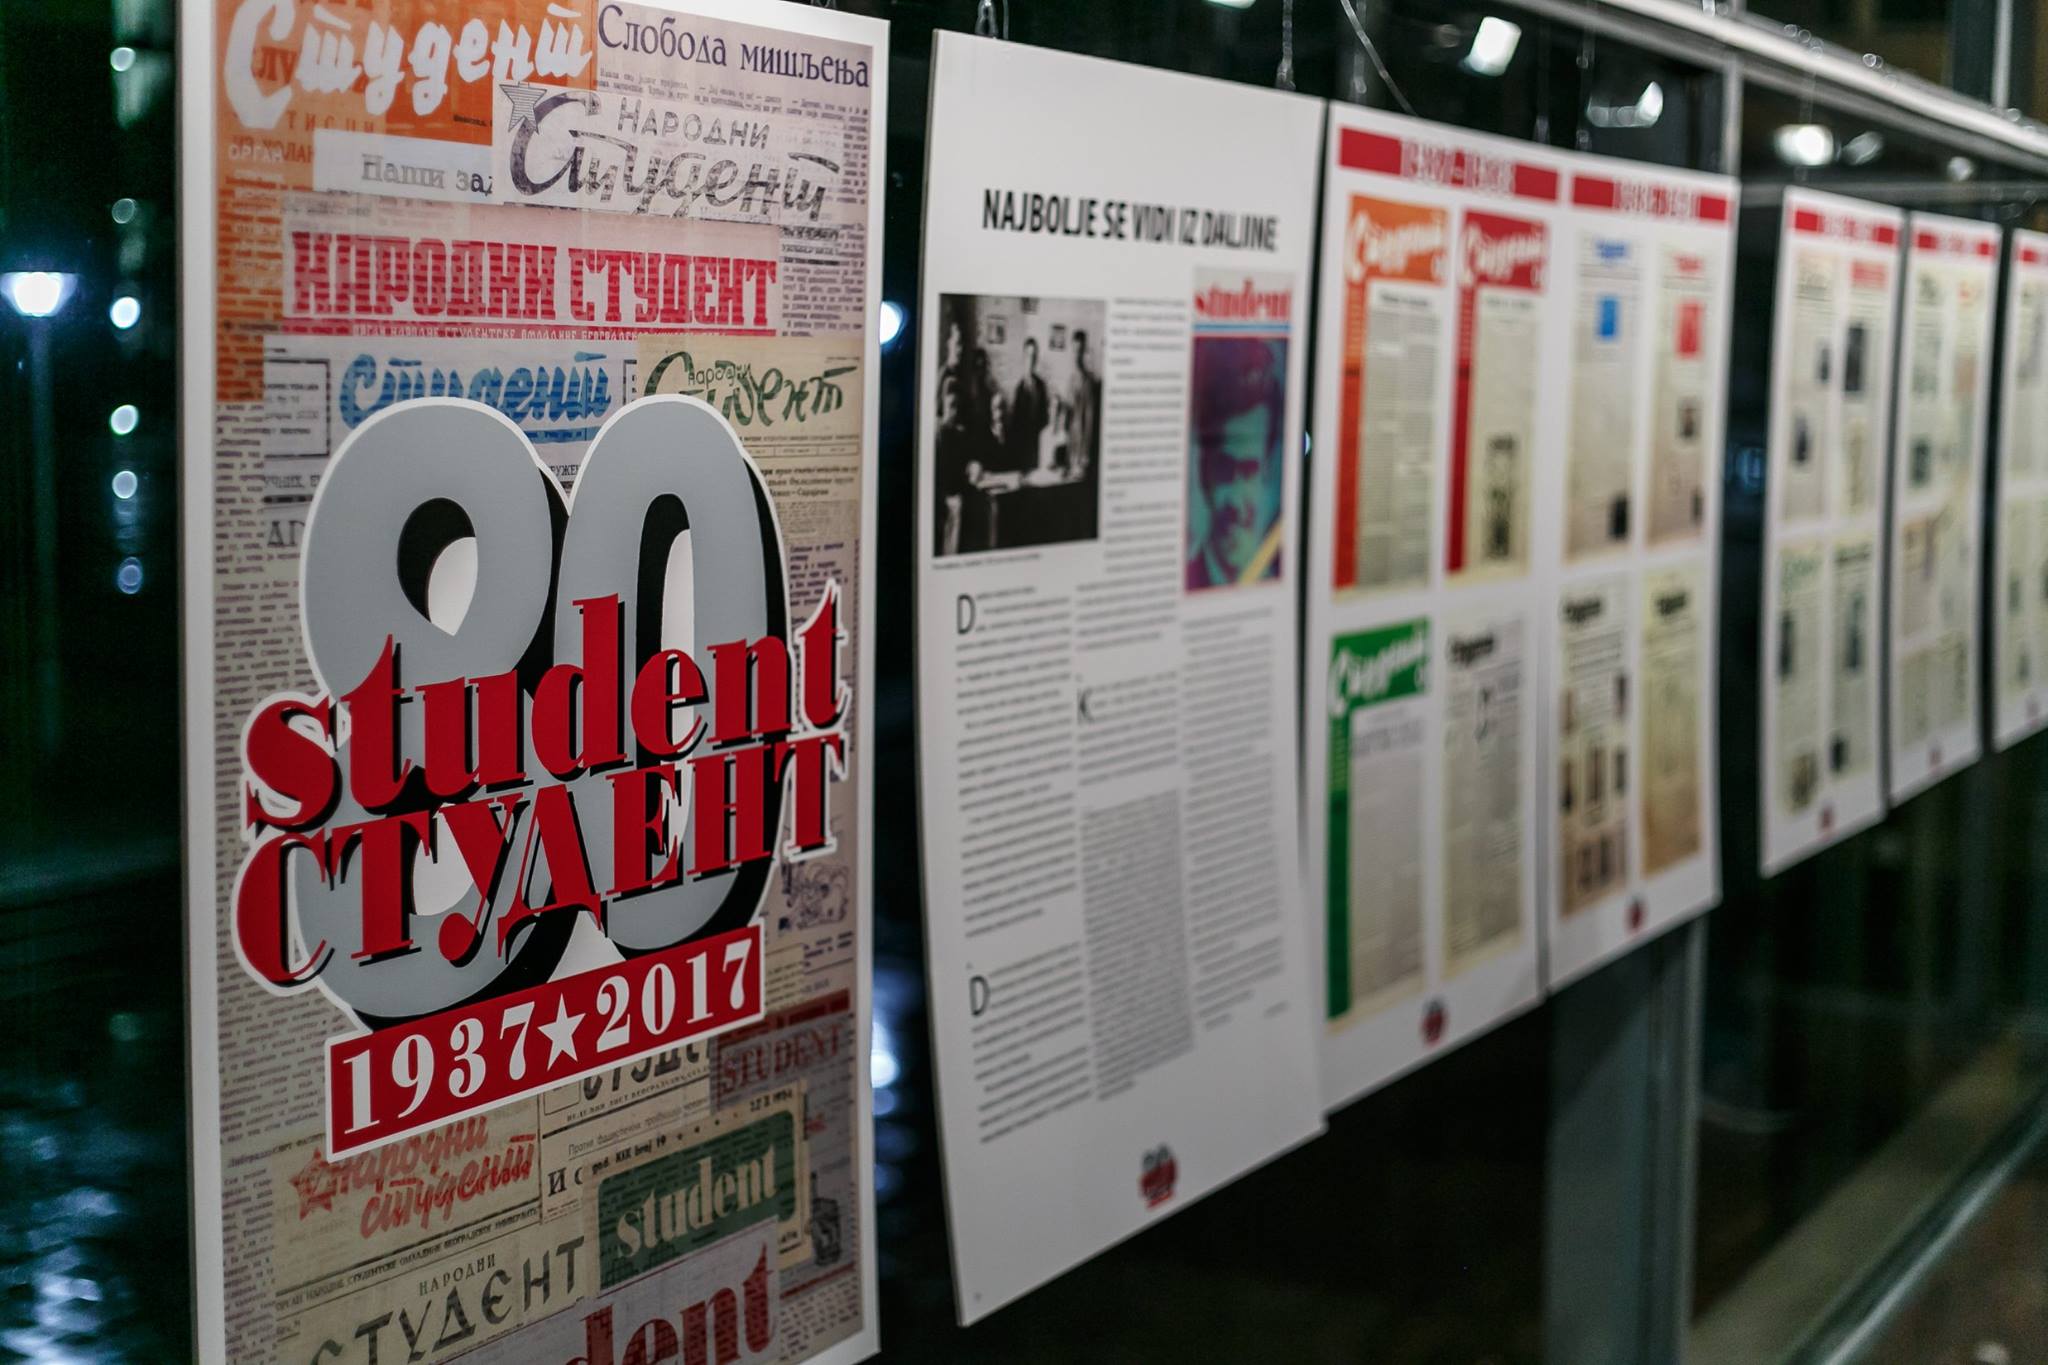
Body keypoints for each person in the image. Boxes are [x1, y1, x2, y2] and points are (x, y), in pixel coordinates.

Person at [1186, 338, 1283, 591]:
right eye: (1225, 471)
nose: (1237, 504)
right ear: (1203, 473)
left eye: (1250, 471)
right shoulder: (1187, 580)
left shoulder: (1280, 578)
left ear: (1268, 470)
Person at [1008, 337, 1050, 473]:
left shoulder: (1041, 386)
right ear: (1023, 358)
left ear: (1036, 359)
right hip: (1022, 449)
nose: (1031, 360)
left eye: (1034, 356)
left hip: (1038, 446)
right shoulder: (1019, 389)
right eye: (1028, 356)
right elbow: (1015, 425)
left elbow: (1045, 417)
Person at [1066, 329, 1100, 477]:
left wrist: (1085, 455)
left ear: (1083, 352)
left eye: (1079, 351)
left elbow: (1089, 420)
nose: (1076, 355)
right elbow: (1069, 411)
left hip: (1082, 448)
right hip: (1071, 443)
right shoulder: (1071, 379)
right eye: (1074, 350)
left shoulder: (1088, 381)